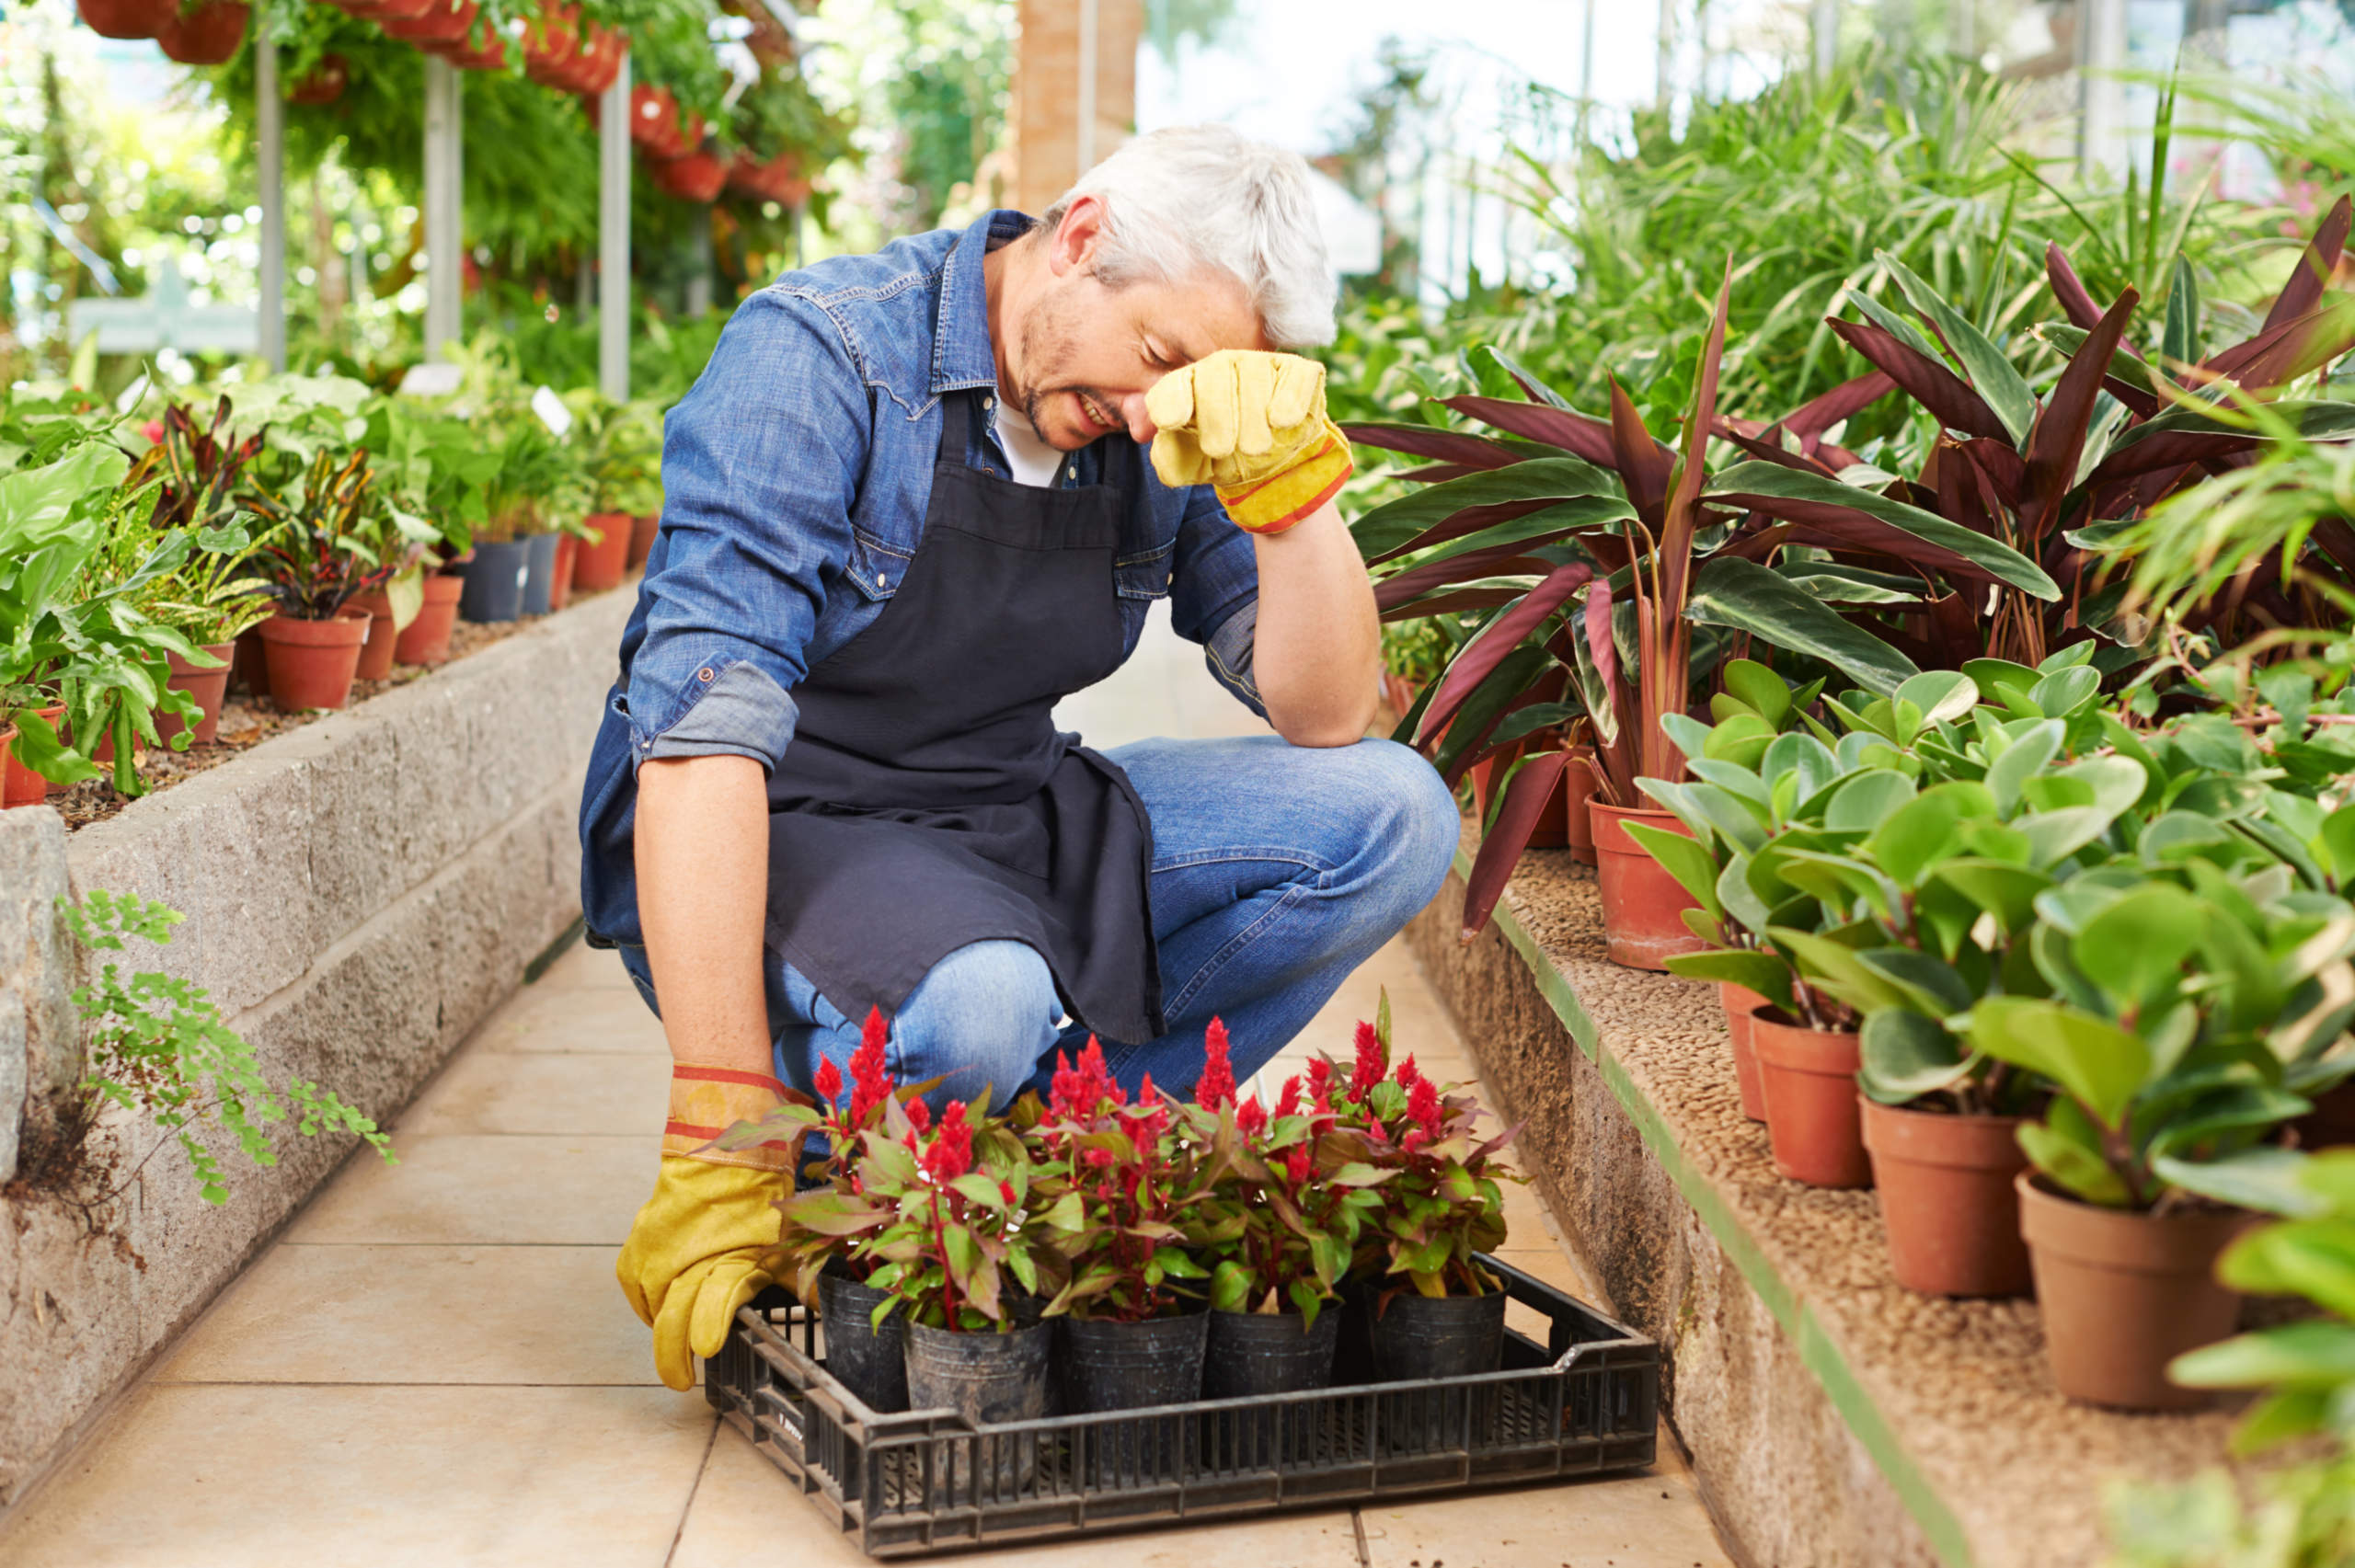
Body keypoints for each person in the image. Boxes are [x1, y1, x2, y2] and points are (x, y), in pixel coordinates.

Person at [580, 125, 1460, 1390]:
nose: (1155, 409)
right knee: (981, 1010)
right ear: (1083, 238)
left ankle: (1017, 1176)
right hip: (791, 816)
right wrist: (718, 1113)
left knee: (1397, 814)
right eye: (1156, 354)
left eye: (1196, 383)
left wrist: (1298, 500)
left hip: (1004, 802)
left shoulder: (1159, 413)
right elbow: (704, 728)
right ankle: (823, 1132)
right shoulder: (823, 354)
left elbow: (1325, 714)